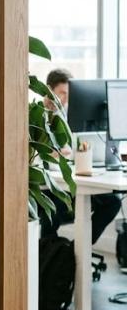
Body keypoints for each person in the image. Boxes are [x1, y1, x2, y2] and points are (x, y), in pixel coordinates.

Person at [40, 67, 121, 245]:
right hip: (49, 187)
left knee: (113, 202)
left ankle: (76, 250)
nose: (66, 99)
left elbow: (70, 150)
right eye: (62, 93)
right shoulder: (37, 115)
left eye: (70, 94)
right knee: (50, 211)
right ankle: (50, 259)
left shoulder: (73, 116)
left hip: (72, 181)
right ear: (48, 90)